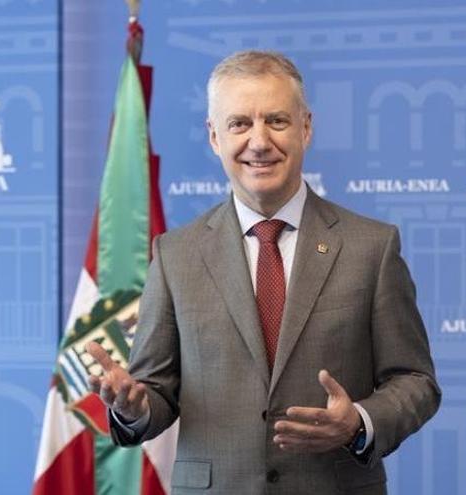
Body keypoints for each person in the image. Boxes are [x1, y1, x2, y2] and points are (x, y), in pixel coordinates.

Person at [86, 50, 440, 494]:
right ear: (215, 137)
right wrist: (133, 407)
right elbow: (156, 392)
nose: (259, 141)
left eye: (276, 121)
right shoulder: (175, 255)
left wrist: (359, 422)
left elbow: (416, 381)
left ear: (305, 128)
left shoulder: (372, 247)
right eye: (239, 124)